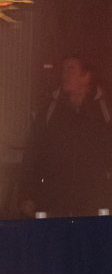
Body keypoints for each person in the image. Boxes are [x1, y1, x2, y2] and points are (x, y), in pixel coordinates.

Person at [19, 55, 112, 217]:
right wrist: (28, 195)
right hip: (55, 203)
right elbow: (33, 154)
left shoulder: (105, 110)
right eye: (63, 69)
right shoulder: (50, 109)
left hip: (94, 205)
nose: (65, 74)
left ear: (86, 75)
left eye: (71, 68)